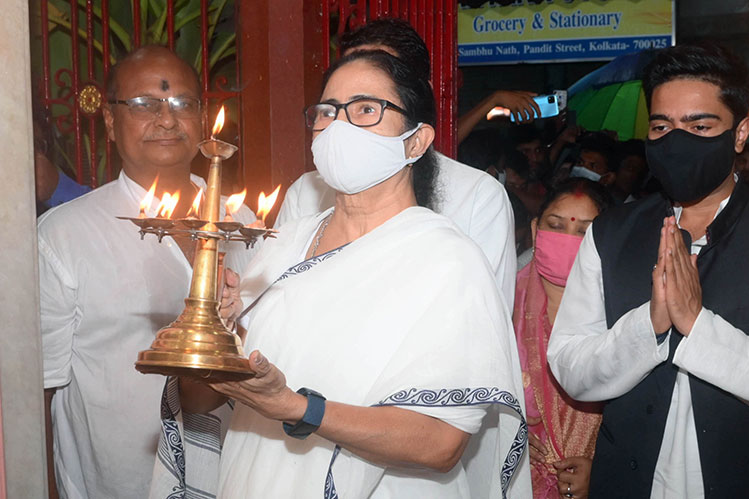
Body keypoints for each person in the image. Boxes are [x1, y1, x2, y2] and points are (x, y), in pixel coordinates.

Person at [179, 49, 531, 498]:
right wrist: (213, 330)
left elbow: (443, 443)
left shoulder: (446, 261)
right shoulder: (281, 246)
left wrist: (298, 407)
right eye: (327, 111)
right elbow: (200, 400)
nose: (338, 126)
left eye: (366, 109)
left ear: (416, 141)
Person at [547, 44, 749, 498]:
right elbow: (570, 368)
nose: (676, 140)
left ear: (740, 133)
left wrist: (697, 326)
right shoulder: (611, 232)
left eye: (700, 126)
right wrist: (651, 324)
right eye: (662, 126)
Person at [38, 46, 256, 498]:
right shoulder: (64, 234)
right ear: (112, 124)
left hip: (232, 474)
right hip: (116, 482)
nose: (167, 119)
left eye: (183, 103)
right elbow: (41, 386)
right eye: (144, 104)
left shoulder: (241, 221)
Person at [275, 18, 517, 309]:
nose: (341, 125)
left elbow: (482, 320)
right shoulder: (303, 194)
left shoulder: (477, 197)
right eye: (332, 107)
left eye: (366, 107)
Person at [515, 178, 611, 499]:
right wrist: (507, 436)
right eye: (555, 226)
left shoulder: (623, 316)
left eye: (584, 232)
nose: (568, 239)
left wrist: (603, 466)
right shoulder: (500, 305)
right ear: (534, 230)